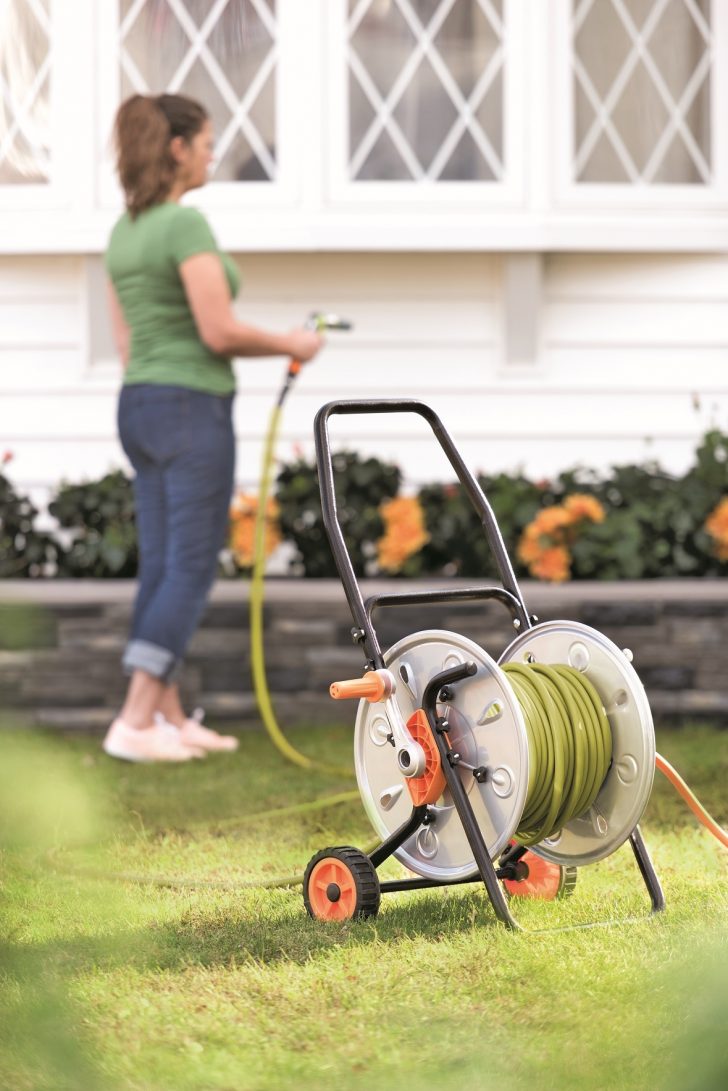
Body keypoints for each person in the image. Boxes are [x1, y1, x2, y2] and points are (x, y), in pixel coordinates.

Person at [102, 93, 322, 762]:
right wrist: (293, 341)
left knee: (163, 563)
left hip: (140, 402)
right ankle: (136, 720)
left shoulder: (125, 232)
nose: (211, 152)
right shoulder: (183, 224)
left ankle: (164, 714)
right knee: (192, 567)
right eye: (205, 141)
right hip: (192, 409)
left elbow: (126, 342)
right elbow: (218, 330)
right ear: (176, 149)